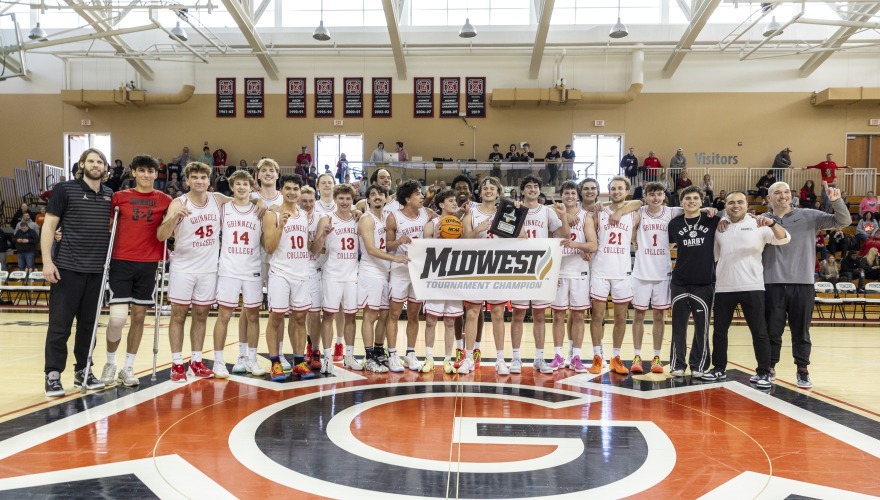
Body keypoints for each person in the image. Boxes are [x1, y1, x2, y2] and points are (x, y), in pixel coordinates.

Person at [760, 180, 851, 388]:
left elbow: (843, 221)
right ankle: (769, 367)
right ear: (769, 198)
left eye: (786, 192)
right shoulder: (761, 220)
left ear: (791, 195)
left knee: (801, 331)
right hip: (771, 283)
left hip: (803, 283)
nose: (783, 195)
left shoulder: (809, 215)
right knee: (772, 331)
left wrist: (836, 202)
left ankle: (802, 370)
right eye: (777, 192)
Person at [42, 148, 113, 396]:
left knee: (89, 326)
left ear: (105, 168)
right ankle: (52, 375)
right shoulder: (65, 189)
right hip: (67, 268)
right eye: (91, 161)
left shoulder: (110, 195)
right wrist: (47, 261)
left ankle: (83, 370)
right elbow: (49, 225)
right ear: (82, 164)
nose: (96, 165)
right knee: (60, 325)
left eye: (100, 162)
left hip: (97, 271)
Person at [97, 155, 172, 388]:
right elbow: (106, 225)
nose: (146, 175)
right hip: (121, 261)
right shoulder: (120, 197)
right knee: (117, 319)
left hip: (148, 263)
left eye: (151, 171)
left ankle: (128, 367)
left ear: (156, 174)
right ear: (134, 173)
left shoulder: (165, 200)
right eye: (142, 170)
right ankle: (110, 362)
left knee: (139, 317)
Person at [704, 191, 789, 388]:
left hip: (752, 286)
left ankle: (764, 372)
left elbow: (784, 238)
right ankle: (718, 368)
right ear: (725, 206)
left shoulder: (759, 224)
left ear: (747, 205)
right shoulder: (719, 227)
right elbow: (714, 254)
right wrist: (720, 219)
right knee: (719, 331)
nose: (736, 206)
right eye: (731, 202)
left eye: (740, 202)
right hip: (724, 286)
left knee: (759, 331)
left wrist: (772, 223)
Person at [156, 161, 228, 383]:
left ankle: (196, 361)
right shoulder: (178, 202)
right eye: (194, 177)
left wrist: (263, 203)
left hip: (208, 269)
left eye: (203, 177)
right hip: (184, 268)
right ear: (187, 180)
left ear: (209, 180)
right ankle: (177, 363)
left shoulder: (217, 199)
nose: (199, 181)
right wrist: (174, 217)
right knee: (178, 315)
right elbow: (161, 235)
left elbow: (244, 202)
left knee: (201, 315)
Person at [508, 175, 568, 375]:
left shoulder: (547, 212)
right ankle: (516, 358)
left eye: (535, 186)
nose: (532, 189)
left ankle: (539, 358)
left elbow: (563, 236)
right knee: (518, 314)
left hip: (541, 268)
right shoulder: (515, 209)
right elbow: (502, 234)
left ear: (539, 190)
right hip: (519, 267)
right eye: (528, 186)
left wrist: (564, 216)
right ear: (522, 190)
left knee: (540, 315)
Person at [211, 170, 266, 379]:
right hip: (229, 269)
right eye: (238, 184)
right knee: (224, 316)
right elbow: (211, 195)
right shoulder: (224, 208)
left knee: (253, 316)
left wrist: (259, 200)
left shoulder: (260, 210)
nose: (242, 187)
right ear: (232, 187)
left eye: (245, 184)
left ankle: (251, 358)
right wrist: (257, 198)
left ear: (251, 187)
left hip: (252, 269)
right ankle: (218, 361)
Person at [261, 175, 314, 381]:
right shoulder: (272, 214)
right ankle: (275, 362)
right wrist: (281, 226)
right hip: (280, 273)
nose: (292, 192)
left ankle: (299, 362)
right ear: (281, 190)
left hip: (302, 273)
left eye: (295, 189)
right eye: (288, 188)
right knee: (276, 317)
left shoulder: (304, 215)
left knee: (300, 318)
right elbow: (269, 248)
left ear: (300, 192)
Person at [310, 183, 363, 375]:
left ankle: (348, 356)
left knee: (351, 316)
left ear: (353, 199)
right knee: (329, 316)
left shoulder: (358, 219)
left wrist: (358, 211)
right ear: (335, 199)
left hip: (352, 274)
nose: (344, 202)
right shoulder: (326, 219)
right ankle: (327, 357)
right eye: (341, 198)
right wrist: (323, 235)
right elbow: (315, 249)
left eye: (348, 198)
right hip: (332, 274)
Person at [667, 186, 719, 378]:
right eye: (687, 198)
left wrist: (710, 210)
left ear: (701, 201)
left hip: (704, 281)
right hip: (680, 280)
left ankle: (699, 364)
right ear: (681, 202)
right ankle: (677, 363)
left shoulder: (712, 220)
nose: (691, 201)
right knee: (678, 326)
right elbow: (667, 246)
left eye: (695, 198)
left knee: (702, 327)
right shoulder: (674, 224)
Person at [386, 180, 437, 371]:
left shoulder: (427, 213)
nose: (421, 196)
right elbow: (388, 246)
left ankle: (410, 353)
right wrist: (399, 241)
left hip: (418, 271)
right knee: (394, 314)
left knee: (414, 315)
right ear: (407, 198)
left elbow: (448, 220)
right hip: (400, 270)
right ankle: (392, 354)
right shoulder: (394, 217)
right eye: (417, 193)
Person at [357, 183, 408, 373]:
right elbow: (371, 249)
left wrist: (399, 242)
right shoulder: (366, 219)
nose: (377, 197)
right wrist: (395, 258)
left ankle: (379, 351)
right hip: (370, 272)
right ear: (368, 199)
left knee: (385, 315)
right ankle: (369, 356)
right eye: (372, 194)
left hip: (384, 272)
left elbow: (387, 244)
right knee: (371, 315)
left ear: (387, 198)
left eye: (380, 194)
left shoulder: (386, 217)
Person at [589, 176, 636, 374]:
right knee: (597, 315)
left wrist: (621, 210)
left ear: (627, 191)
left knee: (620, 316)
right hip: (600, 269)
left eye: (620, 188)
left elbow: (641, 202)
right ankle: (597, 357)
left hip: (622, 271)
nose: (616, 191)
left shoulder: (634, 213)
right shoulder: (599, 212)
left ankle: (616, 357)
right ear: (609, 192)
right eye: (613, 189)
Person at [548, 181, 597, 373]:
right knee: (558, 315)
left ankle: (576, 356)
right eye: (566, 193)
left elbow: (593, 245)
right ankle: (558, 356)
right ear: (561, 195)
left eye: (573, 193)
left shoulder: (586, 217)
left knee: (578, 315)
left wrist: (576, 245)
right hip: (559, 271)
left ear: (578, 196)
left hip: (579, 272)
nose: (570, 196)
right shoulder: (553, 214)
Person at [461, 177, 504, 374]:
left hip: (497, 266)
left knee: (498, 314)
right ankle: (469, 358)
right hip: (475, 266)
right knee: (472, 313)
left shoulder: (505, 213)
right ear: (480, 192)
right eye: (485, 188)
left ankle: (500, 360)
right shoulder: (471, 212)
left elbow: (515, 237)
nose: (488, 190)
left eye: (492, 188)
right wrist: (477, 229)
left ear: (498, 193)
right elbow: (463, 239)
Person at [420, 189, 464, 373]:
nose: (454, 203)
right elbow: (422, 251)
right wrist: (435, 239)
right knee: (431, 320)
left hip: (454, 276)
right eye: (451, 201)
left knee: (450, 321)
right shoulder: (431, 225)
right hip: (435, 276)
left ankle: (447, 360)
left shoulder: (461, 224)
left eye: (455, 201)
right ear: (441, 204)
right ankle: (429, 358)